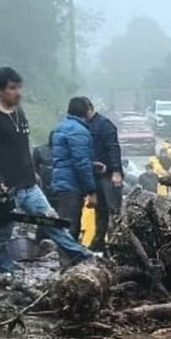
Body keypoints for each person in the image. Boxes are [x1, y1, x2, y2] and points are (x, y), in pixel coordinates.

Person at [0, 66, 92, 282]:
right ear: (0, 90)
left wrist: (33, 172)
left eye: (19, 87)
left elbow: (23, 148)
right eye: (12, 88)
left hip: (29, 183)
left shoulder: (19, 113)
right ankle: (6, 271)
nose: (17, 92)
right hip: (6, 187)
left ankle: (82, 256)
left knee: (52, 222)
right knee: (2, 234)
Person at [50, 97, 98, 241]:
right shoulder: (79, 131)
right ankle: (67, 261)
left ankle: (67, 258)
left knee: (65, 221)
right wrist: (91, 189)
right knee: (70, 224)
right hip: (72, 183)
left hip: (61, 180)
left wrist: (93, 165)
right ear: (85, 110)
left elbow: (64, 156)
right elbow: (80, 162)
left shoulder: (60, 127)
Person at [84, 98, 122, 252]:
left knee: (114, 210)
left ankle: (116, 243)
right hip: (95, 174)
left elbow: (114, 148)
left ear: (90, 109)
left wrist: (116, 171)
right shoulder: (85, 125)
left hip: (109, 174)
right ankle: (99, 242)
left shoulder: (104, 125)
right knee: (100, 211)